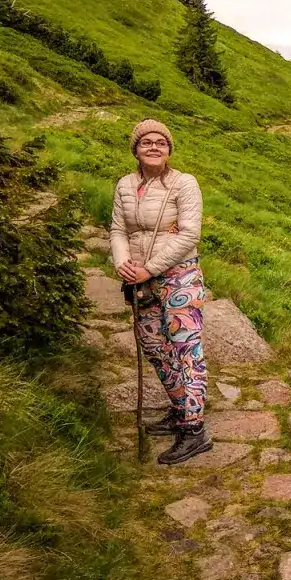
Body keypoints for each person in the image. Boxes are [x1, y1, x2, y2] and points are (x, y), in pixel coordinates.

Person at [110, 119, 212, 465]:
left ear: (169, 150)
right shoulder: (125, 185)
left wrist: (149, 268)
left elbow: (189, 234)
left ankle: (194, 429)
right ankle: (181, 407)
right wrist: (123, 263)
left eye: (161, 143)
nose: (153, 147)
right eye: (146, 142)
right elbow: (118, 229)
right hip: (141, 278)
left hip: (180, 275)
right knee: (154, 346)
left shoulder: (184, 183)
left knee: (186, 348)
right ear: (135, 149)